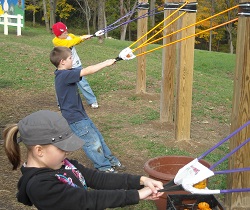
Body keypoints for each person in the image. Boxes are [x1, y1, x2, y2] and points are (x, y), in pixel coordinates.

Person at [3, 110, 164, 210]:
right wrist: (136, 195)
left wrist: (140, 181)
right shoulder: (40, 186)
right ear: (39, 151)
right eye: (61, 147)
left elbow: (98, 179)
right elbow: (87, 200)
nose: (67, 151)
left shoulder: (64, 165)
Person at [50, 46, 124, 173]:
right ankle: (104, 168)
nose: (72, 60)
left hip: (80, 115)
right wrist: (106, 63)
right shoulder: (64, 75)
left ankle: (111, 160)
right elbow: (87, 70)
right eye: (70, 58)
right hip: (75, 118)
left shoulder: (64, 73)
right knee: (92, 143)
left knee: (98, 138)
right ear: (62, 61)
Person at [52, 22, 99, 109]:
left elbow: (76, 39)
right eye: (64, 33)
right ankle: (61, 103)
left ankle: (92, 100)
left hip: (75, 64)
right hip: (63, 66)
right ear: (58, 35)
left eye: (66, 31)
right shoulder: (57, 41)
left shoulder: (69, 36)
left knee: (83, 84)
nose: (66, 33)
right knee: (62, 86)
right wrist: (81, 38)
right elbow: (71, 42)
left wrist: (86, 37)